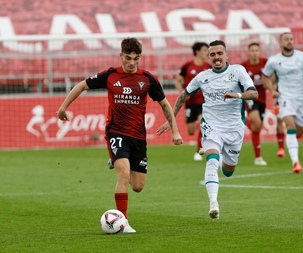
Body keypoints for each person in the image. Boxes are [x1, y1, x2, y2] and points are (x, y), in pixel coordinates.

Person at [56, 37, 183, 233]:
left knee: (138, 186)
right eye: (128, 58)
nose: (132, 62)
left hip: (138, 136)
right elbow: (81, 85)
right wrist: (63, 107)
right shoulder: (110, 75)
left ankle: (115, 159)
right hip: (116, 131)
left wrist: (175, 130)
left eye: (136, 58)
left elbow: (164, 104)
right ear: (120, 56)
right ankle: (123, 222)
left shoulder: (148, 79)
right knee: (123, 174)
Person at [157, 40, 258, 219]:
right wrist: (170, 119)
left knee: (228, 171)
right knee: (211, 161)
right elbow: (183, 96)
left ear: (227, 56)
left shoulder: (238, 71)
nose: (216, 57)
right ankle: (214, 204)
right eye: (212, 54)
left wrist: (238, 95)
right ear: (209, 57)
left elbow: (253, 93)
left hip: (235, 128)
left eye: (220, 53)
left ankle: (216, 154)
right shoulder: (202, 77)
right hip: (212, 126)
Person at [262, 32, 303, 173]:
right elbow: (265, 77)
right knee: (289, 125)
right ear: (281, 43)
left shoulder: (302, 57)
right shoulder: (274, 61)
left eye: (291, 39)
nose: (290, 41)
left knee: (297, 133)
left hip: (302, 98)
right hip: (285, 98)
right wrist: (272, 91)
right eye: (286, 39)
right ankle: (296, 163)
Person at [174, 42, 211, 161]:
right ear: (197, 51)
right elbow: (177, 81)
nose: (207, 53)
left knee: (203, 123)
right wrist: (184, 93)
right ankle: (200, 126)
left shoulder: (208, 66)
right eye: (205, 50)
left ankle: (199, 150)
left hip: (204, 102)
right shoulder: (187, 66)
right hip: (190, 103)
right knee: (190, 131)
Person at [241, 42, 270, 166]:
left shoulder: (266, 63)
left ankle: (258, 158)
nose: (254, 53)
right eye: (252, 50)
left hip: (262, 99)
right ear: (248, 52)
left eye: (256, 50)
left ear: (260, 52)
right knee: (256, 123)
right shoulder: (243, 67)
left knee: (256, 128)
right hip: (249, 97)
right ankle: (258, 158)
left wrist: (270, 84)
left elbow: (274, 75)